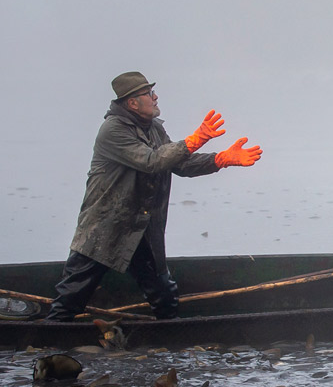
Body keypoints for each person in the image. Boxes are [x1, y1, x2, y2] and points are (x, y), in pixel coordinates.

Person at [45, 71, 262, 321]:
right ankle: (47, 341)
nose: (155, 97)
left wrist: (219, 160)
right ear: (132, 103)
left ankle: (167, 338)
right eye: (149, 93)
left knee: (164, 294)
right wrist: (194, 139)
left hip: (142, 229)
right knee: (72, 294)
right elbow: (151, 161)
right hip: (105, 228)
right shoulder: (112, 131)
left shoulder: (155, 129)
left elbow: (179, 164)